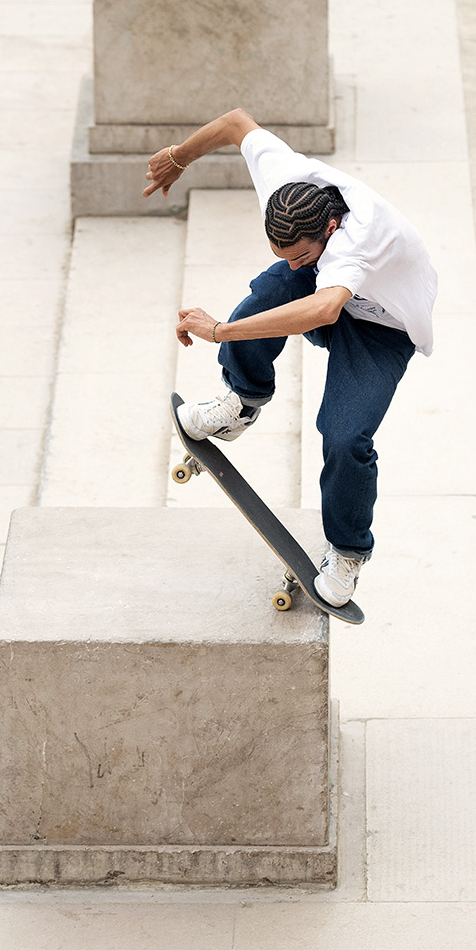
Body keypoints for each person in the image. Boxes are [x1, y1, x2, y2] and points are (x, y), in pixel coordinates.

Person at [144, 108, 438, 608]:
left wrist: (220, 331)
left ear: (330, 225)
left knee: (345, 437)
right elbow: (236, 122)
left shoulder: (360, 240)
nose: (294, 262)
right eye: (285, 251)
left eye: (302, 255)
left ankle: (348, 553)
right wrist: (179, 157)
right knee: (270, 291)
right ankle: (242, 401)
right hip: (332, 288)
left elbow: (323, 308)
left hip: (381, 330)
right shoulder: (287, 183)